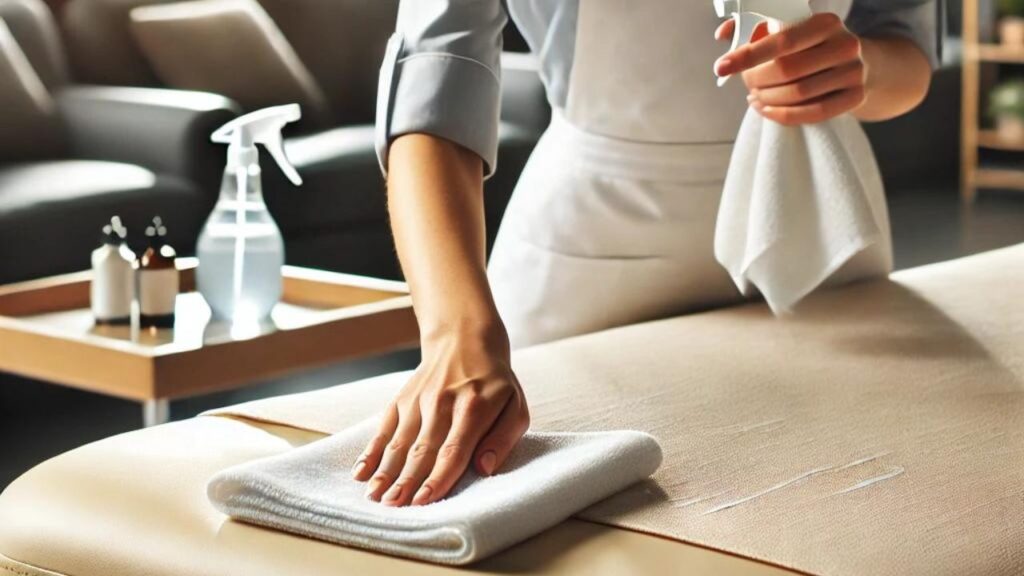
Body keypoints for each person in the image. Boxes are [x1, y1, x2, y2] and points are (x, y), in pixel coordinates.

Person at [351, 0, 939, 507]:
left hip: (820, 241)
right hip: (589, 251)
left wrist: (859, 67)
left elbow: (906, 49)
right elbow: (433, 89)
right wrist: (457, 333)